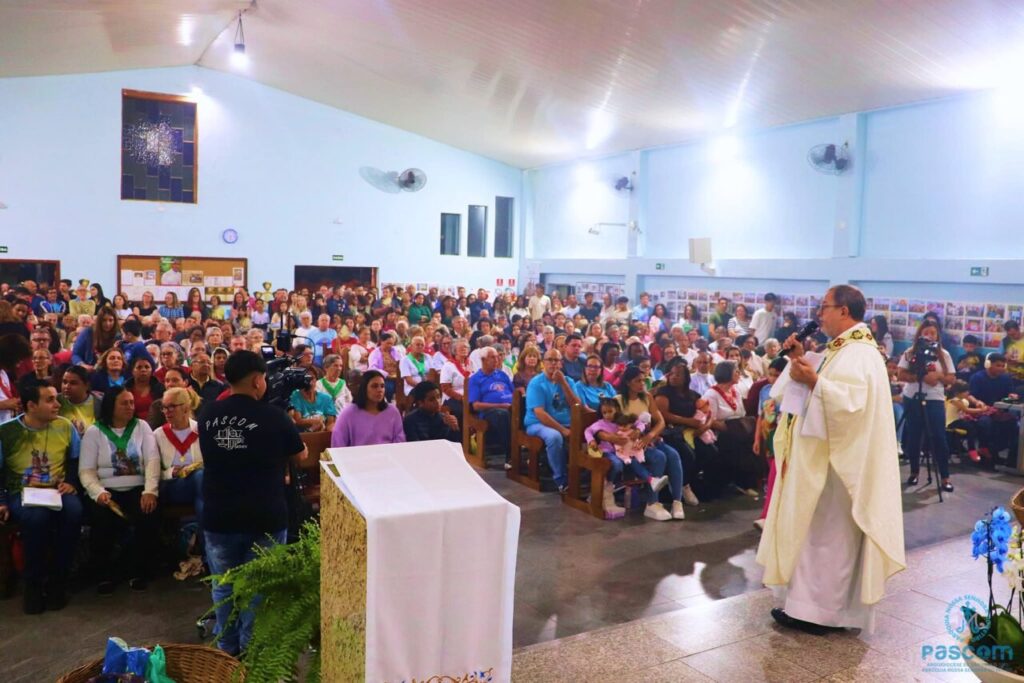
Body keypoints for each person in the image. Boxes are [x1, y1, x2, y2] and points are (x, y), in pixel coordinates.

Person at [757, 285, 905, 635]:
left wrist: (816, 382)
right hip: (824, 459)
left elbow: (852, 407)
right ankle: (807, 608)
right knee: (814, 535)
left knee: (830, 538)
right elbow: (810, 388)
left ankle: (821, 614)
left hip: (840, 467)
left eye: (824, 307)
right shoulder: (844, 348)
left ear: (844, 311)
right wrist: (798, 360)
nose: (819, 314)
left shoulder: (862, 353)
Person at [198, 350, 306, 656]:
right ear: (259, 380)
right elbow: (300, 455)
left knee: (224, 587)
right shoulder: (274, 416)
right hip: (264, 516)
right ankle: (252, 651)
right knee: (258, 588)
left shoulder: (207, 414)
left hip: (220, 515)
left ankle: (225, 652)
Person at [0, 382, 82, 613]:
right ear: (31, 406)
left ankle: (58, 581)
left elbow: (75, 460)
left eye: (56, 398)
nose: (57, 404)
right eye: (49, 400)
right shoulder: (6, 432)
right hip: (21, 492)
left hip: (57, 489)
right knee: (37, 519)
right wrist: (2, 501)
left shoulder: (65, 426)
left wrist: (72, 482)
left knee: (74, 512)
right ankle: (33, 585)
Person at [79, 386, 161, 594]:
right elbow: (86, 471)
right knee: (102, 521)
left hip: (137, 487)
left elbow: (152, 460)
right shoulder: (94, 431)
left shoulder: (141, 427)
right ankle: (105, 574)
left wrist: (150, 490)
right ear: (110, 406)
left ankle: (138, 571)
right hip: (106, 490)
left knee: (146, 515)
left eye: (132, 402)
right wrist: (98, 492)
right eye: (124, 403)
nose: (130, 407)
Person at [585, 397, 668, 519]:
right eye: (604, 412)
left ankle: (652, 485)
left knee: (649, 458)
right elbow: (588, 430)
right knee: (617, 464)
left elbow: (639, 422)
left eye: (610, 411)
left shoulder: (621, 419)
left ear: (617, 410)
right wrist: (591, 440)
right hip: (610, 451)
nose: (607, 415)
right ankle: (608, 488)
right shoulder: (600, 424)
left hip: (627, 451)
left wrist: (638, 431)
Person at [898, 320, 956, 491]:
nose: (929, 336)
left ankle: (945, 477)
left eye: (933, 333)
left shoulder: (944, 355)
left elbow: (951, 378)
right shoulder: (910, 353)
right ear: (920, 334)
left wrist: (938, 376)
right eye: (926, 332)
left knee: (939, 437)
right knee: (915, 437)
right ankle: (914, 473)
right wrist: (920, 376)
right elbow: (900, 374)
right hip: (913, 397)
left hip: (935, 399)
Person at [524, 349, 578, 494]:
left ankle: (582, 476)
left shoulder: (569, 381)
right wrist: (563, 430)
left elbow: (576, 405)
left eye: (557, 360)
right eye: (550, 360)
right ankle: (560, 479)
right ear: (543, 363)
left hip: (566, 422)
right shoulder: (537, 383)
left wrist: (563, 384)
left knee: (589, 433)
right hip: (537, 424)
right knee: (554, 436)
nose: (553, 364)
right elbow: (540, 413)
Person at [154, 386, 204, 527]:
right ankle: (204, 539)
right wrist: (171, 472)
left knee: (202, 479)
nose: (167, 412)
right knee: (201, 479)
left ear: (186, 408)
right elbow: (152, 471)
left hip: (199, 484)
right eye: (164, 407)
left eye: (172, 407)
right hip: (171, 486)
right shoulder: (158, 435)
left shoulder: (202, 430)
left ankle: (199, 536)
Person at [331, 370, 405, 447]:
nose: (380, 390)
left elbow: (399, 439)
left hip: (387, 456)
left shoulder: (392, 411)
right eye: (374, 386)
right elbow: (338, 444)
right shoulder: (348, 414)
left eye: (382, 386)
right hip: (357, 457)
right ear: (364, 388)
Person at [467, 347, 514, 459]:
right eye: (492, 357)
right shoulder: (476, 379)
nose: (496, 360)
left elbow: (514, 393)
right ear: (483, 360)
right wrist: (501, 405)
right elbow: (475, 405)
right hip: (489, 412)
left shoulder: (502, 375)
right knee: (502, 414)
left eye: (497, 357)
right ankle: (511, 455)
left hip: (511, 407)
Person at [289, 369, 337, 433]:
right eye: (306, 379)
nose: (310, 382)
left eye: (312, 378)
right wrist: (315, 422)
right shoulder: (295, 396)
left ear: (316, 379)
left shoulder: (326, 398)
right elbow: (297, 420)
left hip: (322, 436)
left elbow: (330, 424)